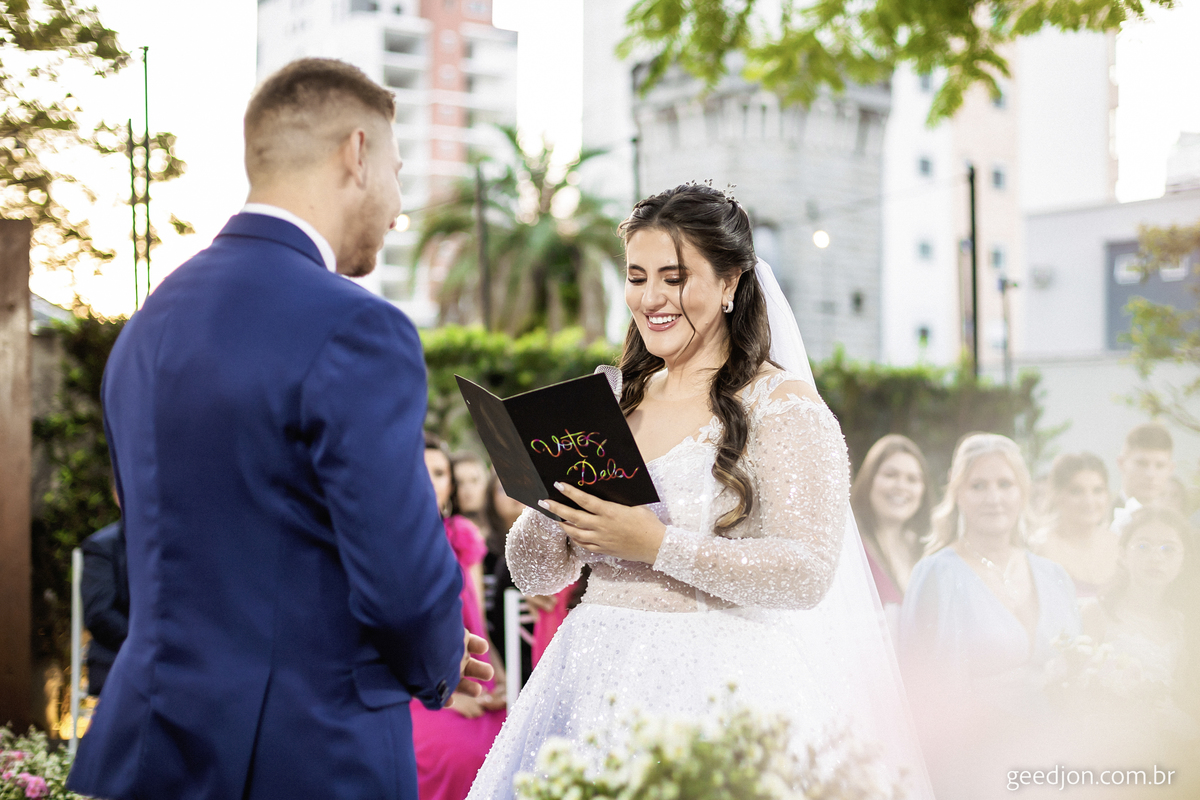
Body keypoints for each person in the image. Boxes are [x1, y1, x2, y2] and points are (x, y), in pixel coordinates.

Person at [68, 59, 490, 800]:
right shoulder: (358, 327)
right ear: (357, 153)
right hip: (308, 753)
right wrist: (438, 654)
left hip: (146, 750)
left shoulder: (146, 327)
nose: (398, 208)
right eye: (397, 173)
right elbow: (398, 574)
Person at [466, 184, 933, 800]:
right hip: (587, 678)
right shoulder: (612, 403)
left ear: (730, 282)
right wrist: (545, 488)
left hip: (719, 685)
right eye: (637, 277)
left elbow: (807, 573)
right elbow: (534, 573)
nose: (651, 299)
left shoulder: (783, 406)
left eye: (674, 277)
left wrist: (656, 545)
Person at [899, 433, 1080, 798]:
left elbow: (1077, 668)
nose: (993, 498)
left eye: (1005, 484)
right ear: (958, 494)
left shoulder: (1054, 576)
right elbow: (917, 685)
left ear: (1023, 492)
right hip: (973, 768)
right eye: (978, 486)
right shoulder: (937, 574)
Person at [412, 435, 506, 800]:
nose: (430, 481)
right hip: (421, 688)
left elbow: (477, 621)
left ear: (450, 485)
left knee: (510, 742)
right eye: (421, 471)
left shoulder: (463, 536)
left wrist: (501, 678)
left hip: (473, 673)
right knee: (455, 755)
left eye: (439, 473)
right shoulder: (392, 542)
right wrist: (446, 692)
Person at [849, 434, 932, 610]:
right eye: (890, 475)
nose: (901, 486)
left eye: (912, 479)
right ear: (868, 480)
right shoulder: (849, 546)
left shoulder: (928, 551)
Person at [1030, 452, 1118, 597]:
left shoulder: (1117, 544)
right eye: (1077, 491)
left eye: (1097, 490)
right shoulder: (1043, 548)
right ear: (1057, 495)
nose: (1089, 501)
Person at [79, 517, 128, 697]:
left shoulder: (180, 542)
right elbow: (99, 614)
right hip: (117, 658)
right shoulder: (103, 546)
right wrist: (148, 643)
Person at [1115, 422, 1175, 511]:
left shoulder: (1178, 518)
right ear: (1121, 464)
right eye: (1141, 463)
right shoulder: (1099, 516)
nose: (1150, 474)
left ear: (1170, 470)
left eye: (1160, 466)